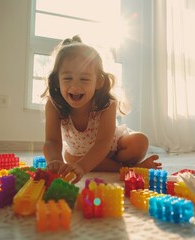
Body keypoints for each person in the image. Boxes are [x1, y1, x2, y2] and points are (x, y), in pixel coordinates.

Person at [41, 35, 162, 183]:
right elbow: (52, 141)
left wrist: (83, 167)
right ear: (57, 81)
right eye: (67, 78)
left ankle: (122, 168)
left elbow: (103, 142)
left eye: (84, 79)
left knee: (140, 141)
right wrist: (55, 160)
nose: (75, 86)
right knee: (71, 159)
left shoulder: (106, 104)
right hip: (78, 154)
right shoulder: (54, 105)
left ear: (98, 82)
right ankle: (128, 169)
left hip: (112, 148)